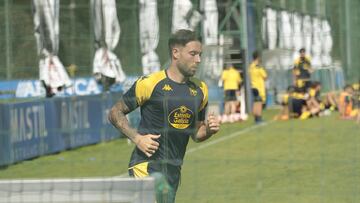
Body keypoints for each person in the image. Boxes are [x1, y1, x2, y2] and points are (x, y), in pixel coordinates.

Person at [108, 29, 221, 202]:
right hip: (146, 166)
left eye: (200, 54)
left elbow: (196, 134)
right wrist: (137, 138)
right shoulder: (150, 83)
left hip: (174, 172)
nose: (198, 60)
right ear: (175, 53)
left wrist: (209, 130)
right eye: (193, 54)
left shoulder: (200, 90)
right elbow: (115, 113)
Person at [249, 51, 267, 123]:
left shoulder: (251, 66)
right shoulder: (258, 67)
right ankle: (259, 118)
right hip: (259, 87)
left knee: (256, 102)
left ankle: (256, 118)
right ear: (258, 57)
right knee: (259, 103)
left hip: (253, 86)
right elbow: (265, 76)